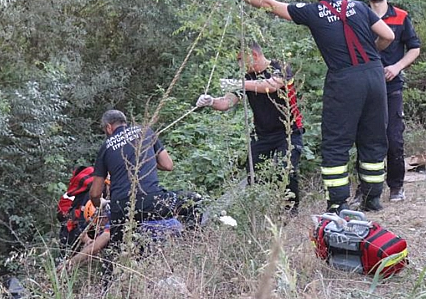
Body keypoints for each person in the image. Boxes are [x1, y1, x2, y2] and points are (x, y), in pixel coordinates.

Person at [239, 0, 395, 213]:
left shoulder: (313, 11)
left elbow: (270, 4)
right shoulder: (359, 6)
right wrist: (371, 55)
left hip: (344, 80)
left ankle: (338, 203)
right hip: (374, 75)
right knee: (373, 136)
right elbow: (388, 35)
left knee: (336, 142)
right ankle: (372, 198)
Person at [195, 42, 304, 213]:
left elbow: (272, 85)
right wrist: (210, 102)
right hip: (262, 135)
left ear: (253, 55)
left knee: (286, 170)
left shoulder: (278, 66)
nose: (239, 64)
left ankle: (290, 212)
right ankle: (259, 211)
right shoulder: (246, 76)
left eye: (241, 59)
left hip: (289, 132)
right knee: (254, 173)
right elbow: (227, 102)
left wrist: (240, 84)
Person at [355, 0, 421, 203]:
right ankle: (365, 189)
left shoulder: (401, 16)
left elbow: (414, 48)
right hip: (364, 87)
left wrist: (397, 67)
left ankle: (396, 187)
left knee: (394, 138)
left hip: (391, 88)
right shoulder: (358, 15)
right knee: (366, 139)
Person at [89, 110, 200, 248]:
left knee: (118, 251)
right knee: (194, 200)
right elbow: (168, 165)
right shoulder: (145, 132)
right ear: (124, 122)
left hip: (121, 208)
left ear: (108, 127)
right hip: (152, 201)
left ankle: (115, 266)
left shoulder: (105, 147)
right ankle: (192, 246)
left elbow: (95, 193)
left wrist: (102, 206)